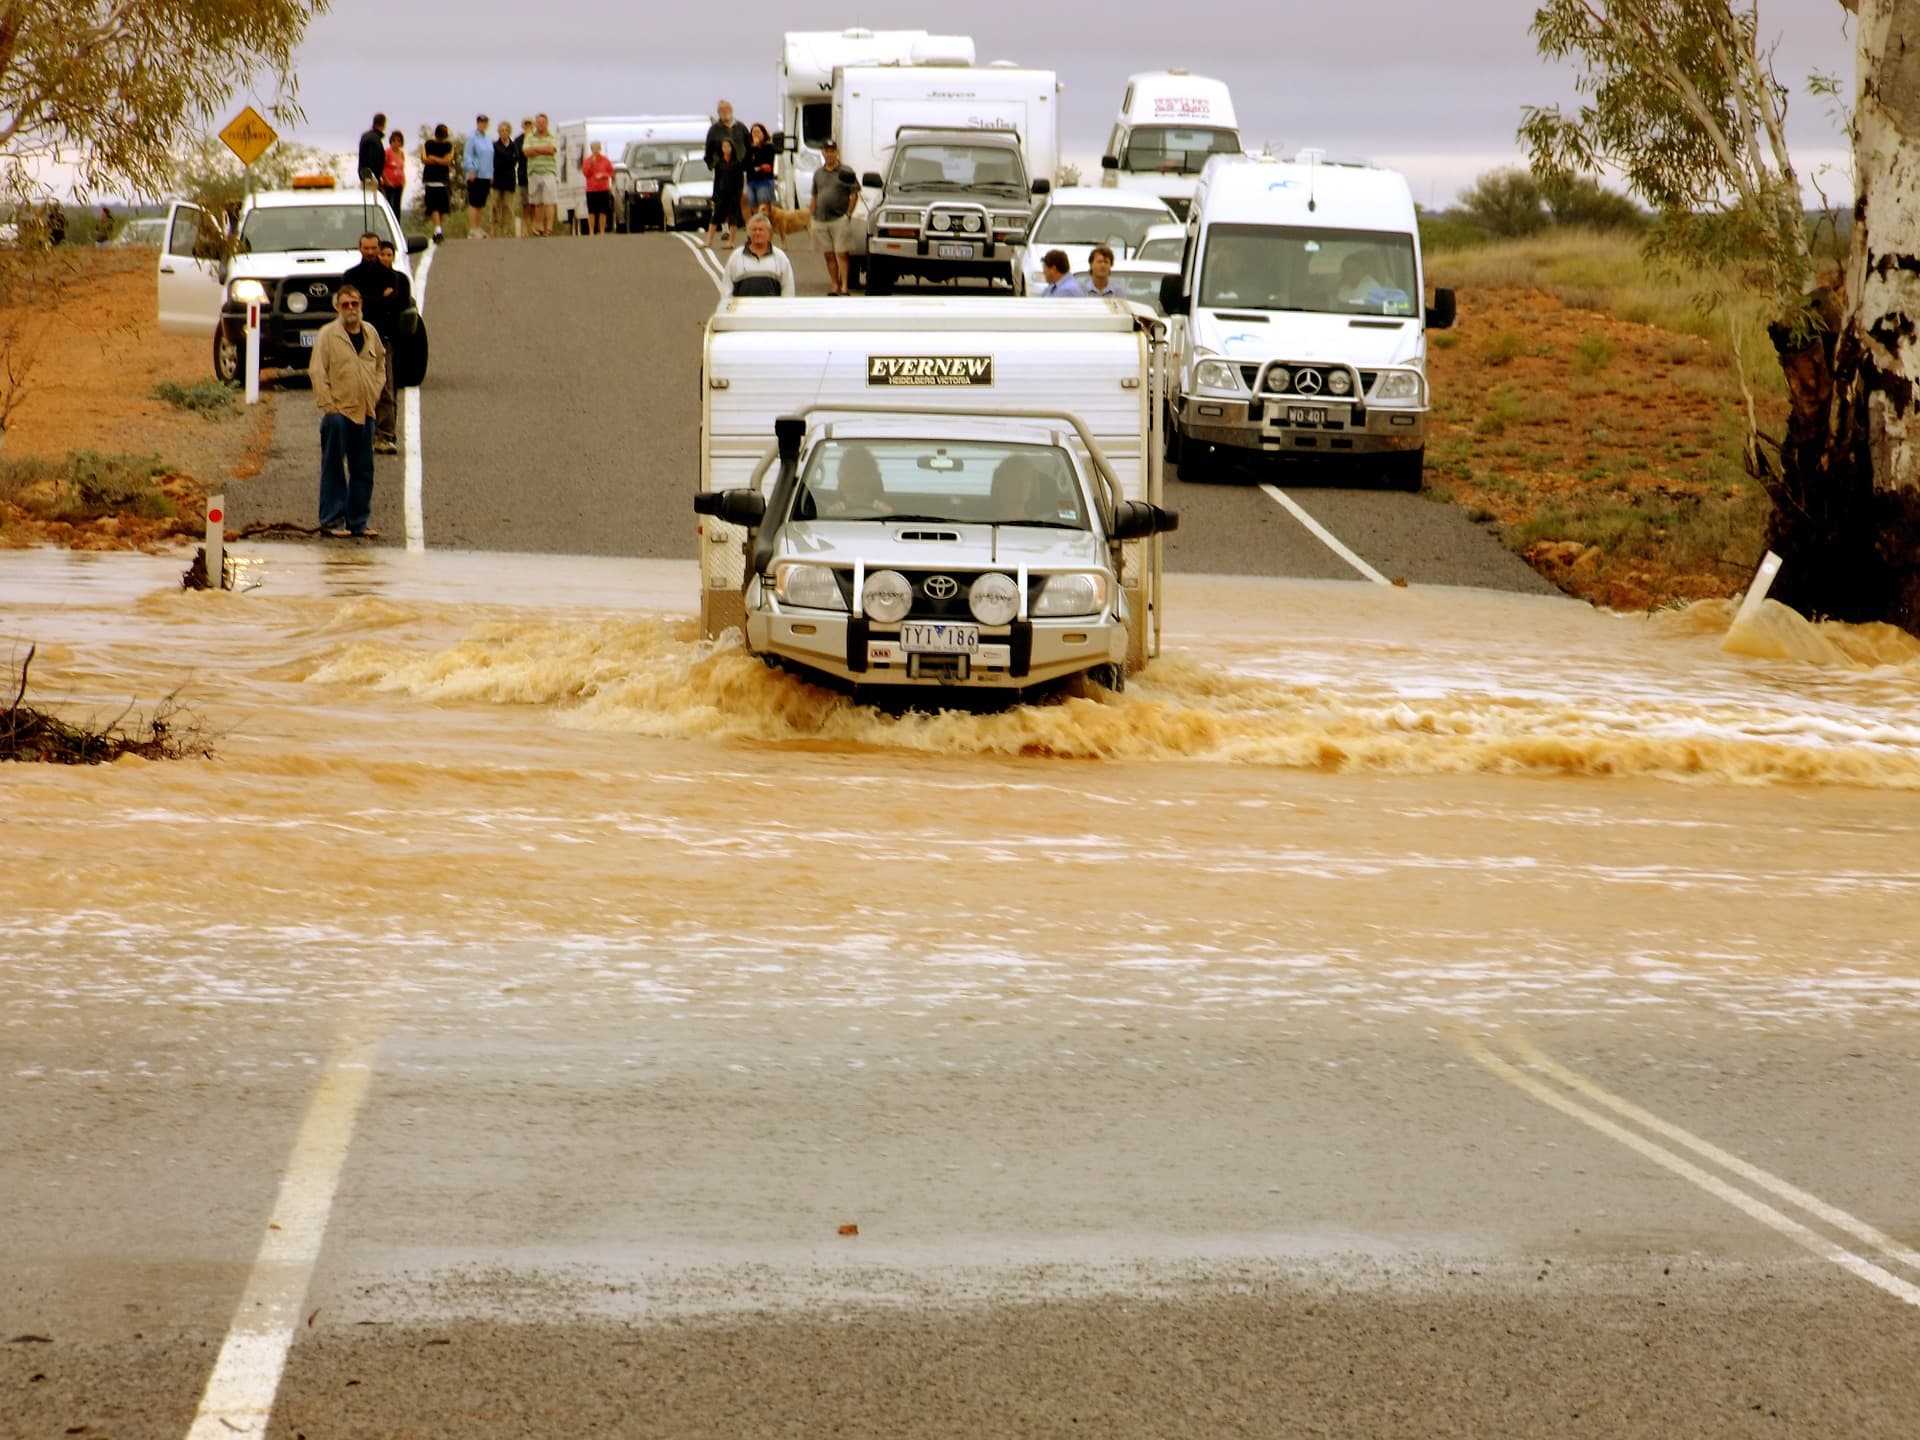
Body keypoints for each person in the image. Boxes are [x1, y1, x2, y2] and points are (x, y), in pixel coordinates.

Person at [311, 283, 386, 539]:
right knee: (333, 466)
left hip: (366, 411)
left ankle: (358, 522)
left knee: (363, 469)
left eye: (354, 303)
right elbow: (317, 372)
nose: (351, 309)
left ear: (361, 305)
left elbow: (380, 365)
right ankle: (332, 520)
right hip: (339, 413)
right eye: (346, 304)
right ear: (337, 307)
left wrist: (375, 392)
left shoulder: (370, 332)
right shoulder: (328, 335)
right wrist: (329, 407)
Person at [341, 232, 412, 455]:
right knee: (354, 387)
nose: (370, 252)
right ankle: (358, 435)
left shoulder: (392, 276)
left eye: (374, 248)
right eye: (367, 248)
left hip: (383, 339)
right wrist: (380, 299)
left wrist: (370, 301)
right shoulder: (351, 276)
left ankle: (385, 435)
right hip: (354, 340)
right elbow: (350, 305)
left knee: (385, 387)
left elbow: (396, 303)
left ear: (379, 248)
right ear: (360, 248)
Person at [810, 138, 859, 297]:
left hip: (839, 218)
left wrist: (848, 214)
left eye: (832, 151)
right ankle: (835, 285)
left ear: (837, 152)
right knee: (828, 254)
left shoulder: (846, 172)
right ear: (823, 153)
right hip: (821, 219)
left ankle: (844, 286)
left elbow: (854, 194)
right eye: (827, 151)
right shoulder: (818, 173)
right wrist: (811, 216)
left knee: (842, 252)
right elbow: (815, 195)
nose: (829, 154)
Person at [703, 100, 749, 242]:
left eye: (727, 109)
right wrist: (714, 163)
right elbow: (708, 150)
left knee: (738, 200)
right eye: (721, 110)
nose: (725, 112)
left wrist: (746, 164)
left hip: (739, 170)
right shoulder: (714, 130)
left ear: (731, 110)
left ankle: (745, 230)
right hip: (722, 170)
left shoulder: (741, 128)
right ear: (718, 113)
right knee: (721, 200)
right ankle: (724, 229)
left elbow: (748, 146)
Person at [724, 214, 796, 295]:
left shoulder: (780, 257)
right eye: (754, 230)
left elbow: (788, 288)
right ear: (749, 233)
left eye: (761, 229)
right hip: (743, 303)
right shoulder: (736, 256)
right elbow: (727, 287)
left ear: (769, 232)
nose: (757, 233)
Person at [703, 136, 745, 250]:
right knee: (715, 217)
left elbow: (740, 182)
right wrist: (714, 196)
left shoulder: (737, 163)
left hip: (733, 195)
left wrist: (738, 195)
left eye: (728, 146)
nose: (726, 149)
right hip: (721, 194)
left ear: (732, 148)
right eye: (724, 146)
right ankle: (708, 241)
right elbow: (716, 181)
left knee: (732, 218)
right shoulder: (719, 164)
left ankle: (731, 241)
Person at [826, 446, 891, 516]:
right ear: (840, 478)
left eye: (861, 474)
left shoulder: (888, 513)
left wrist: (890, 516)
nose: (855, 481)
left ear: (873, 479)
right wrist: (829, 516)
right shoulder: (826, 514)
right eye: (849, 474)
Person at [523, 113, 558, 238]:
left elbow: (551, 150)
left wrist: (535, 149)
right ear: (535, 124)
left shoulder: (552, 136)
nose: (540, 125)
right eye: (538, 122)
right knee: (538, 202)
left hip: (548, 171)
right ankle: (539, 226)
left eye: (543, 122)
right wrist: (543, 149)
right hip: (534, 172)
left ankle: (549, 227)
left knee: (549, 201)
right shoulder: (529, 136)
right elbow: (526, 152)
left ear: (547, 123)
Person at [420, 124, 454, 243]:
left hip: (443, 180)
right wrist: (441, 160)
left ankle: (438, 230)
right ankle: (438, 230)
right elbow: (425, 159)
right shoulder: (428, 144)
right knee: (434, 207)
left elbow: (447, 161)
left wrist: (434, 159)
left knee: (441, 208)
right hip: (431, 180)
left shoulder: (449, 145)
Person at [463, 114, 494, 238]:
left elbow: (490, 157)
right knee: (474, 203)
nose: (483, 124)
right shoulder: (472, 137)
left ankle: (478, 228)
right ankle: (472, 229)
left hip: (486, 174)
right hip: (475, 174)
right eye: (481, 122)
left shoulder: (488, 138)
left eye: (485, 122)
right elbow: (468, 155)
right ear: (477, 123)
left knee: (481, 203)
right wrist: (470, 170)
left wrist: (491, 173)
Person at [490, 120, 520, 238]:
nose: (504, 132)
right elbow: (494, 161)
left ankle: (506, 230)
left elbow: (515, 160)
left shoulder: (513, 146)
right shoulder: (494, 145)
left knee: (508, 205)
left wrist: (506, 159)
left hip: (509, 178)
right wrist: (507, 158)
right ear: (498, 132)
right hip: (496, 178)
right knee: (495, 204)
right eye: (502, 130)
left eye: (506, 130)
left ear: (509, 132)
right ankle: (493, 229)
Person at [743, 122, 777, 225]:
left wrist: (758, 166)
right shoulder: (749, 148)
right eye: (753, 132)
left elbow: (766, 164)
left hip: (764, 181)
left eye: (758, 132)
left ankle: (765, 227)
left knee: (763, 207)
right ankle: (757, 226)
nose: (756, 134)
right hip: (751, 181)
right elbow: (746, 164)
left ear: (763, 133)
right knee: (753, 206)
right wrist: (756, 167)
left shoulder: (768, 147)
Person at [581, 139, 615, 236]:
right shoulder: (587, 161)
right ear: (591, 149)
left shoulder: (605, 160)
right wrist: (591, 164)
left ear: (600, 149)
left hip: (603, 189)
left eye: (597, 149)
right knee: (591, 212)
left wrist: (603, 175)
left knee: (603, 211)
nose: (595, 151)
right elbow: (586, 173)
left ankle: (602, 231)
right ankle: (591, 231)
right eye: (593, 149)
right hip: (591, 190)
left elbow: (612, 173)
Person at [380, 130, 407, 218]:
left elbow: (401, 168)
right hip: (389, 184)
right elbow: (381, 167)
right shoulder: (387, 152)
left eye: (399, 141)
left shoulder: (401, 153)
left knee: (397, 206)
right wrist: (386, 180)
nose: (396, 143)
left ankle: (397, 223)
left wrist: (404, 180)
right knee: (390, 205)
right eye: (394, 140)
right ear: (391, 141)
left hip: (399, 183)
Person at [357, 113, 388, 184]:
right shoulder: (375, 140)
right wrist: (376, 177)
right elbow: (373, 161)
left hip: (363, 174)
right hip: (370, 177)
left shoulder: (365, 136)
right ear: (383, 125)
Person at [516, 118, 534, 230]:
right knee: (525, 203)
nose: (528, 126)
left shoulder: (537, 138)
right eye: (526, 124)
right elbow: (520, 154)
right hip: (523, 174)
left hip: (535, 173)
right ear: (523, 126)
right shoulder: (518, 140)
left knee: (535, 203)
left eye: (529, 124)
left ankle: (533, 226)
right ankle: (524, 227)